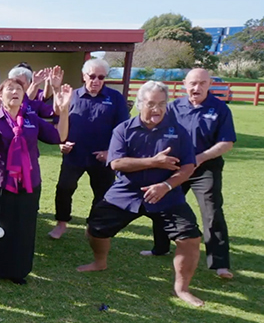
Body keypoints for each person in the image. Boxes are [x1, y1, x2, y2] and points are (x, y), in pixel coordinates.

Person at [78, 81, 205, 308]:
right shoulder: (123, 129)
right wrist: (153, 162)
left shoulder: (179, 132)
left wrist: (165, 186)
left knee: (190, 238)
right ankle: (100, 262)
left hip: (166, 194)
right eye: (151, 104)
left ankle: (182, 288)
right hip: (127, 192)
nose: (156, 109)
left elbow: (188, 166)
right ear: (139, 104)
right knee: (95, 228)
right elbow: (116, 163)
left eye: (161, 104)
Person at [142, 69, 236, 279]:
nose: (197, 88)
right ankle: (160, 247)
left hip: (205, 167)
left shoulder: (220, 109)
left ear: (210, 84)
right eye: (193, 83)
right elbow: (157, 130)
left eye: (202, 83)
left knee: (211, 211)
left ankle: (219, 264)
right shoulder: (174, 107)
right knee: (162, 202)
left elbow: (226, 142)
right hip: (175, 166)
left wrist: (200, 158)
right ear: (184, 84)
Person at [0, 77, 72, 285]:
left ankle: (17, 270)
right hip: (0, 181)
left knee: (23, 227)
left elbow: (59, 136)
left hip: (29, 182)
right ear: (0, 95)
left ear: (24, 95)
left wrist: (64, 110)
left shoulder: (31, 118)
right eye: (10, 89)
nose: (15, 92)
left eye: (19, 89)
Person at [49, 59, 131, 240]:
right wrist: (61, 143)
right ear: (84, 76)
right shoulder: (72, 96)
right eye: (92, 76)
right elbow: (58, 123)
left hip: (102, 156)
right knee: (64, 188)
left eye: (101, 77)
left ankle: (93, 225)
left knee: (102, 193)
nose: (96, 80)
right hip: (74, 154)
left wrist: (111, 152)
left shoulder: (115, 98)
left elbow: (123, 129)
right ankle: (61, 223)